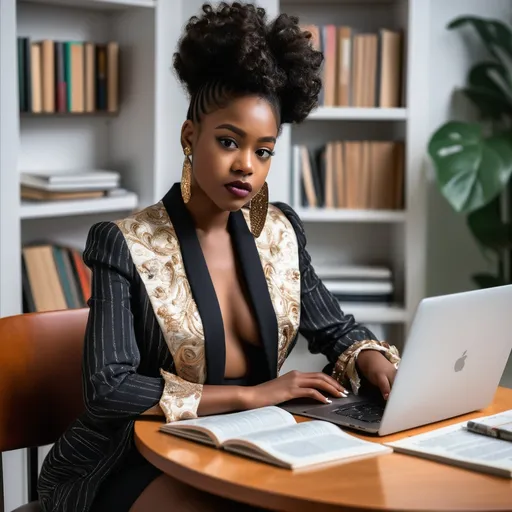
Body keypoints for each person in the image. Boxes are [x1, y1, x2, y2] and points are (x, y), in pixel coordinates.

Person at [38, 3, 400, 511]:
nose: (245, 166)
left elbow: (334, 328)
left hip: (254, 444)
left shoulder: (281, 230)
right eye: (229, 141)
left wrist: (371, 357)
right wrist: (251, 395)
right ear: (191, 137)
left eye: (263, 150)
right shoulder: (123, 241)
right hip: (135, 453)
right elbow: (109, 388)